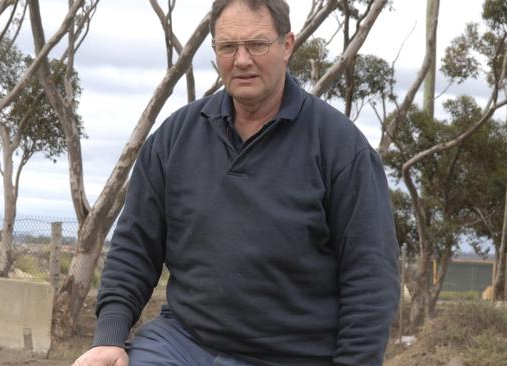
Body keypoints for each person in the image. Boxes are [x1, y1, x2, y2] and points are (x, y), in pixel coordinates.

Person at [73, 0, 400, 365]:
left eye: (257, 45)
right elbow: (135, 247)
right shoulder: (175, 138)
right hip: (182, 343)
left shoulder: (341, 150)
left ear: (287, 45)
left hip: (291, 354)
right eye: (228, 47)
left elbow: (371, 279)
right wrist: (109, 336)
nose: (242, 60)